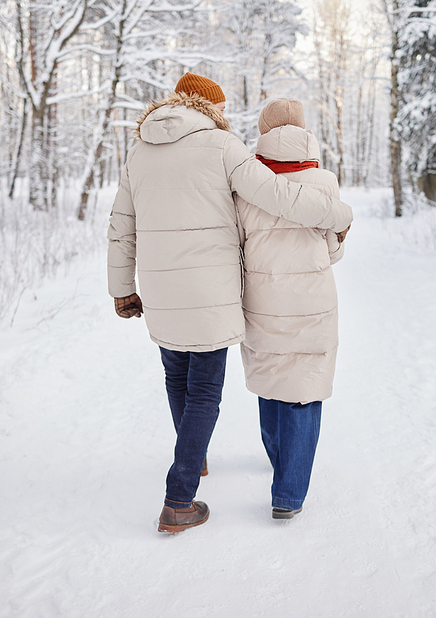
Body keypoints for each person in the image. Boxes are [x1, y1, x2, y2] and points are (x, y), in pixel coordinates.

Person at [107, 74, 353, 534]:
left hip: (159, 290)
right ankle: (179, 497)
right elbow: (278, 196)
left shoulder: (138, 150)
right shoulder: (223, 145)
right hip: (210, 290)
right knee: (204, 389)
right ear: (210, 108)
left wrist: (122, 288)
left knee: (175, 374)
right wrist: (340, 215)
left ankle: (193, 454)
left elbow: (122, 225)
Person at [235, 98, 350, 519]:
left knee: (270, 381)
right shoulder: (325, 182)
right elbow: (332, 251)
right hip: (313, 304)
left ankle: (278, 460)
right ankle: (288, 494)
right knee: (304, 390)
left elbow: (239, 244)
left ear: (263, 132)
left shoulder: (245, 182)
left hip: (261, 302)